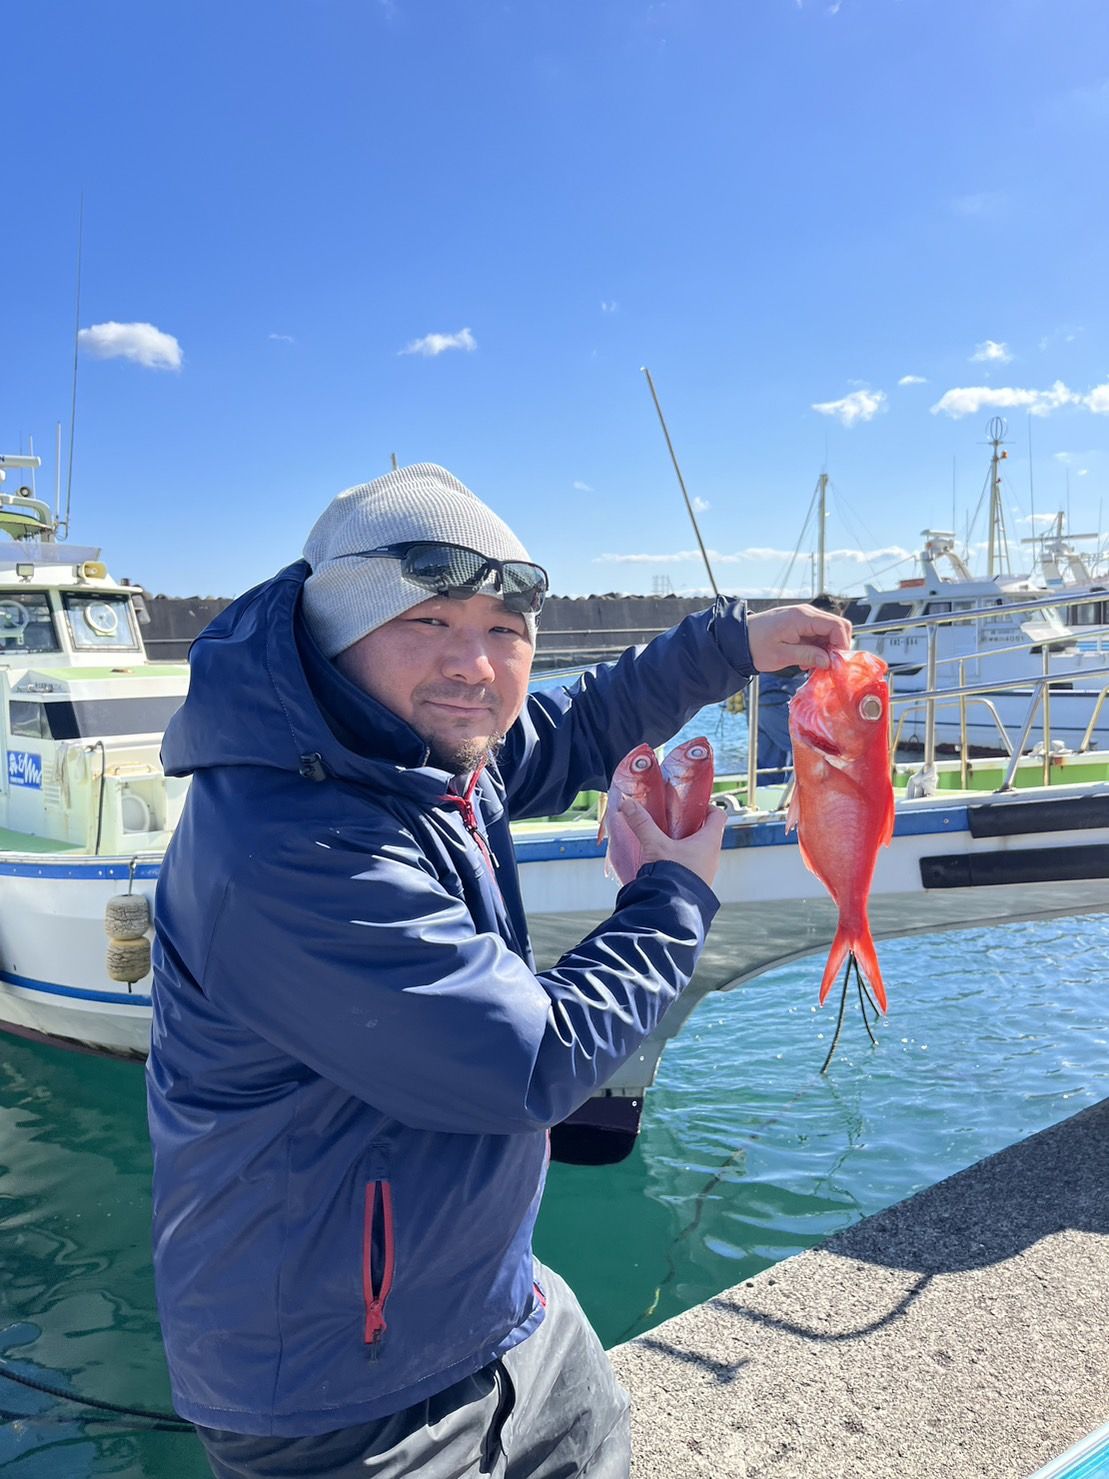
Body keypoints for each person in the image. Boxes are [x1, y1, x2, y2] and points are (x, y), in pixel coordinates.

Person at [146, 463, 851, 1479]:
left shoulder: (417, 751)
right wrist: (671, 894)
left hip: (501, 1309)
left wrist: (733, 643)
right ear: (333, 633)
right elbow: (532, 1065)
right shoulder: (286, 846)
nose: (474, 664)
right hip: (341, 1396)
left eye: (505, 630)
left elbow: (577, 729)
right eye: (429, 622)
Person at [756, 593, 847, 785]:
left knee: (772, 758)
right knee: (811, 749)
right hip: (774, 694)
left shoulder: (800, 633)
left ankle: (773, 793)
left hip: (774, 691)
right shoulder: (804, 636)